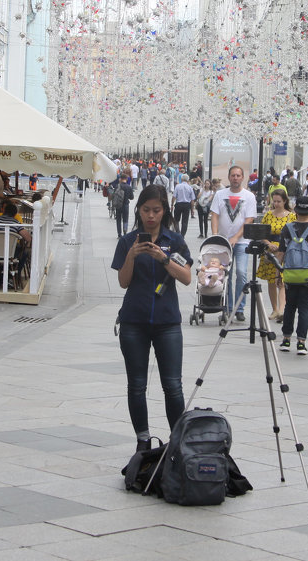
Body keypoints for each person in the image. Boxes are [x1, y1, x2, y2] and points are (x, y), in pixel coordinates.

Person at [111, 185, 193, 452]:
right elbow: (123, 282)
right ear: (138, 210)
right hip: (134, 321)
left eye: (156, 210)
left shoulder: (175, 241)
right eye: (146, 210)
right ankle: (143, 440)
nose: (151, 216)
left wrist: (163, 258)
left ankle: (177, 442)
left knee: (173, 385)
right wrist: (132, 256)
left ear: (165, 211)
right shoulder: (127, 241)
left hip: (168, 322)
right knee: (136, 385)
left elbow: (186, 277)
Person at [210, 165, 257, 322]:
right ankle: (228, 306)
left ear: (242, 177)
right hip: (223, 242)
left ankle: (240, 307)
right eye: (233, 175)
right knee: (225, 274)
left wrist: (236, 237)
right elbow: (215, 215)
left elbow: (249, 219)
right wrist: (215, 235)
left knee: (242, 273)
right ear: (229, 177)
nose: (235, 178)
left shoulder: (249, 196)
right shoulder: (220, 194)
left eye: (238, 175)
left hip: (242, 241)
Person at [277, 196, 308, 356]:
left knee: (289, 306)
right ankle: (301, 343)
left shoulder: (287, 228)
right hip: (307, 275)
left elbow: (281, 252)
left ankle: (286, 339)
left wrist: (279, 272)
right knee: (304, 307)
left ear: (295, 211)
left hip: (290, 273)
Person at [256, 190, 295, 320]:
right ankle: (274, 309)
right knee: (271, 281)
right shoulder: (268, 215)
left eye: (279, 201)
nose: (276, 204)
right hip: (270, 251)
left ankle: (282, 310)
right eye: (274, 201)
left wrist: (282, 246)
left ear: (285, 201)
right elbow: (262, 233)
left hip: (284, 250)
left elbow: (293, 236)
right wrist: (268, 244)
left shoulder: (291, 216)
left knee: (282, 281)